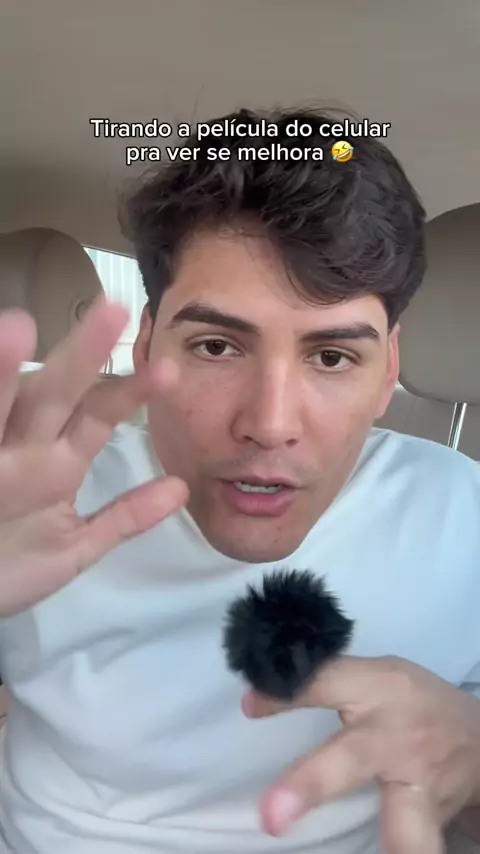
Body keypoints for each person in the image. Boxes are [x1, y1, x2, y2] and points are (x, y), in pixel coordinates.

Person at [0, 106, 480, 854]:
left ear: (388, 369)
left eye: (331, 357)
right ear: (148, 344)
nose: (270, 423)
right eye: (217, 346)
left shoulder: (464, 518)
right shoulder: (28, 498)